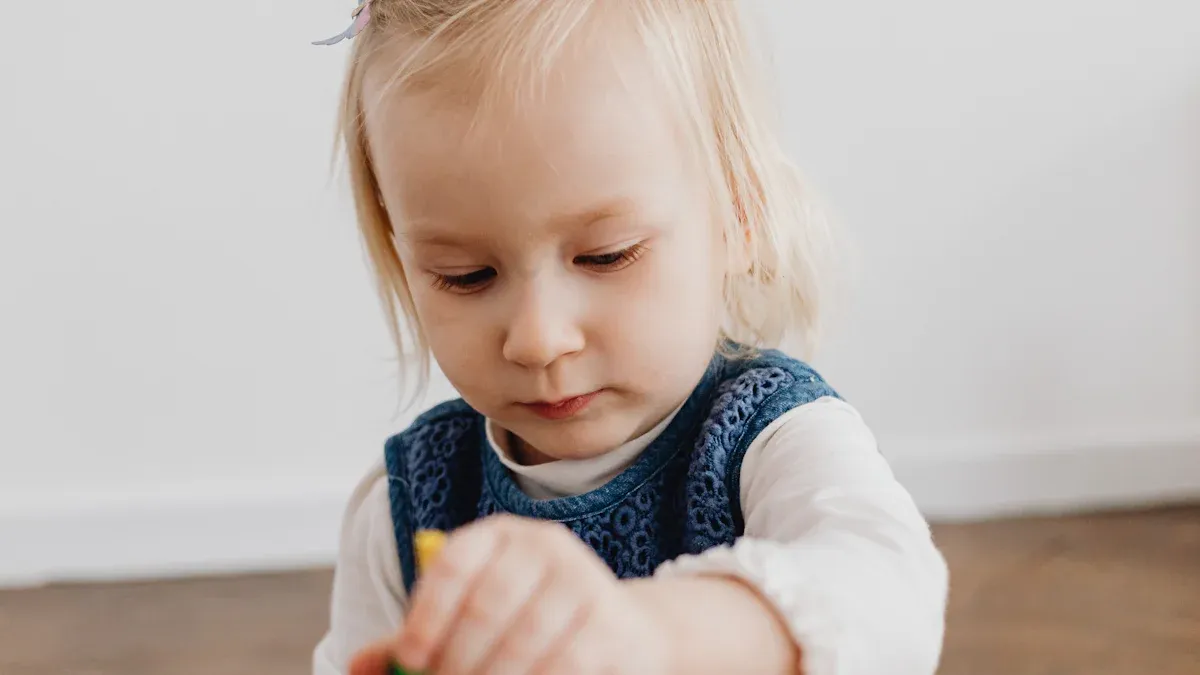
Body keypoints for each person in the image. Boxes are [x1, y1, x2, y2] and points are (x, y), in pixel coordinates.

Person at [310, 1, 948, 673]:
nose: (539, 339)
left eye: (606, 255)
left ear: (739, 214)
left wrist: (649, 636)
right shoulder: (405, 506)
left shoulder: (772, 440)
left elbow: (891, 596)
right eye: (465, 275)